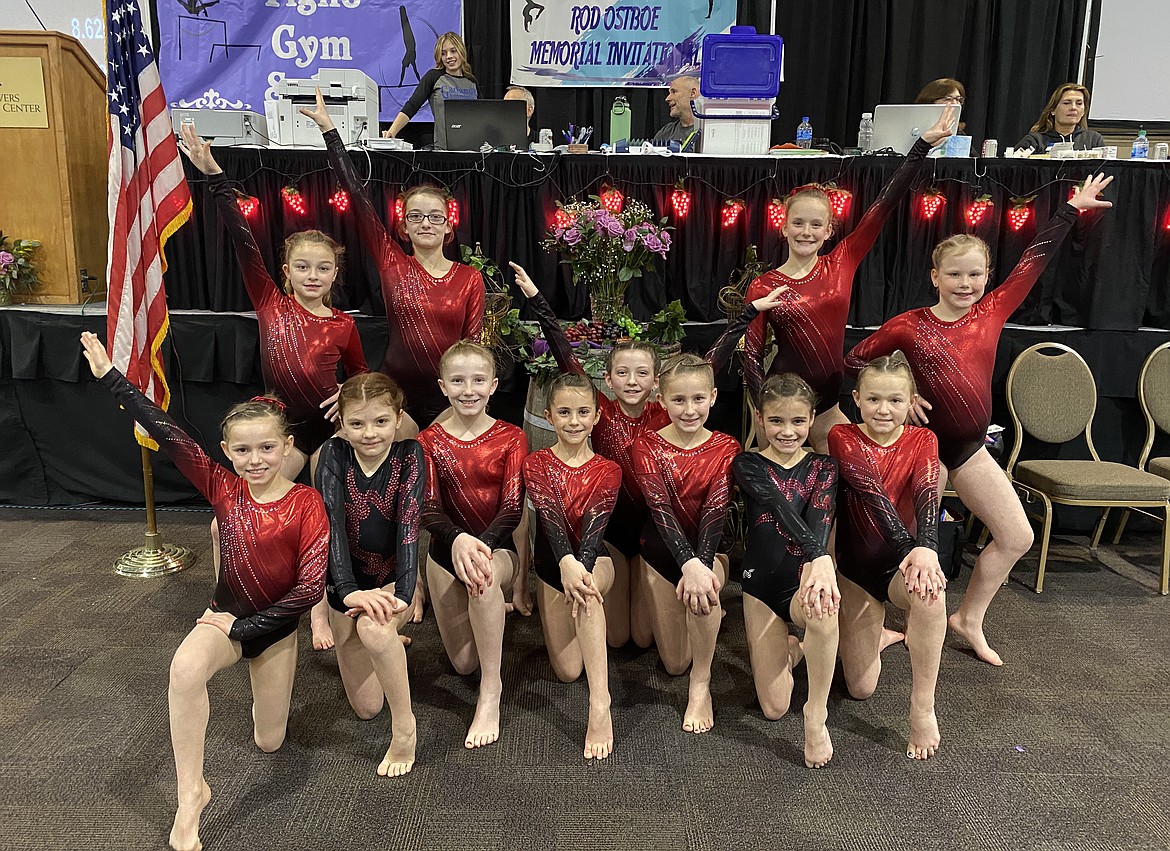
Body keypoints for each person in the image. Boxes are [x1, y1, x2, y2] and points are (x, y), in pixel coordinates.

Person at [844, 174, 1114, 666]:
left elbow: (1034, 262)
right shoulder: (909, 324)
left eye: (974, 276)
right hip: (919, 449)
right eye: (954, 275)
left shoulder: (991, 312)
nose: (965, 285)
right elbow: (857, 360)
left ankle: (968, 619)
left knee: (1017, 535)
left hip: (968, 449)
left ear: (987, 277)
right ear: (934, 277)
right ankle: (882, 624)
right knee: (890, 543)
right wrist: (908, 392)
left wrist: (1071, 210)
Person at [80, 332, 328, 851]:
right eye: (243, 450)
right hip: (226, 617)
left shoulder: (307, 502)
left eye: (266, 448)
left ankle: (260, 697)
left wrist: (246, 628)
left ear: (287, 448)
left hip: (275, 628)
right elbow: (168, 434)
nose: (255, 459)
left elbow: (307, 590)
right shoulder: (223, 486)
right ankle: (191, 792)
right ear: (226, 452)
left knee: (269, 740)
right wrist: (111, 379)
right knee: (185, 668)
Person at [510, 263, 786, 650]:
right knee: (622, 638)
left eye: (641, 374)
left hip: (655, 528)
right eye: (622, 373)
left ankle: (714, 565)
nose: (632, 382)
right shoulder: (601, 413)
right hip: (612, 532)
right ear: (607, 380)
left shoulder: (665, 414)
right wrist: (538, 299)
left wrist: (749, 313)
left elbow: (710, 366)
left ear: (656, 382)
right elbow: (564, 354)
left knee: (643, 638)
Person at [179, 123, 367, 652]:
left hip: (326, 429)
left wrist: (350, 400)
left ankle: (320, 613)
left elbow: (364, 380)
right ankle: (225, 598)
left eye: (323, 269)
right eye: (303, 267)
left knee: (326, 518)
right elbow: (242, 239)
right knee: (226, 526)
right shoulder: (271, 303)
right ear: (286, 272)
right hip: (282, 429)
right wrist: (214, 174)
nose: (313, 276)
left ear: (335, 274)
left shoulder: (342, 324)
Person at [742, 105, 957, 453]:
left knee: (850, 480)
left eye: (815, 225)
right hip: (783, 405)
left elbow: (883, 206)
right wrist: (761, 408)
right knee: (783, 494)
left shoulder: (840, 262)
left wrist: (921, 146)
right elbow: (751, 353)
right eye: (798, 223)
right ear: (783, 227)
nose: (806, 232)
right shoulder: (765, 285)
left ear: (829, 231)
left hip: (827, 405)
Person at [304, 89, 484, 428]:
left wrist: (465, 399)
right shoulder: (392, 263)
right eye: (416, 216)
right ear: (403, 226)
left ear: (449, 225)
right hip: (394, 392)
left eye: (435, 216)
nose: (425, 223)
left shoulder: (469, 278)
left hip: (452, 397)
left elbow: (471, 349)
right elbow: (357, 197)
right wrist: (331, 132)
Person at [828, 353, 947, 761]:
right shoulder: (842, 437)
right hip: (858, 569)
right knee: (860, 690)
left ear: (911, 401)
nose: (884, 410)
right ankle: (875, 633)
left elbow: (928, 494)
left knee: (931, 591)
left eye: (895, 401)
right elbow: (873, 497)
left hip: (902, 565)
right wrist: (911, 548)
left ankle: (923, 706)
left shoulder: (922, 440)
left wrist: (926, 549)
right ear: (857, 399)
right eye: (874, 399)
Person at [416, 341, 528, 748]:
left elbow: (512, 508)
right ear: (442, 386)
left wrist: (480, 546)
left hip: (496, 548)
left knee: (482, 579)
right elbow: (427, 508)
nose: (469, 390)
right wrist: (458, 539)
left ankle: (491, 692)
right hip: (445, 552)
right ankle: (486, 620)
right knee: (463, 664)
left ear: (494, 385)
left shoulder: (511, 436)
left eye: (478, 380)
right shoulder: (429, 441)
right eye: (458, 381)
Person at [316, 372, 423, 777]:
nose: (369, 433)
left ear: (397, 418)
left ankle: (404, 729)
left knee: (376, 631)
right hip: (346, 582)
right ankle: (384, 641)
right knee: (365, 709)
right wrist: (346, 593)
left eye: (380, 421)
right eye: (357, 423)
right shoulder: (333, 455)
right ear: (342, 422)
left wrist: (404, 595)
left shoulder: (410, 455)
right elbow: (333, 531)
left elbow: (410, 526)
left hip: (393, 577)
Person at [732, 374, 839, 768]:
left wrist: (817, 559)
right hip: (760, 584)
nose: (787, 431)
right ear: (759, 418)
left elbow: (820, 517)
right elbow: (776, 504)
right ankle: (794, 649)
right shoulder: (747, 464)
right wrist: (820, 554)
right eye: (776, 421)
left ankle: (816, 714)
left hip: (802, 583)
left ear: (811, 419)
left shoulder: (825, 467)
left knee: (824, 607)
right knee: (774, 708)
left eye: (797, 421)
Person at [631, 354, 740, 734]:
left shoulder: (727, 446)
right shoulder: (646, 446)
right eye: (678, 400)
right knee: (674, 662)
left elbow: (715, 509)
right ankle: (704, 626)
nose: (689, 410)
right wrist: (685, 563)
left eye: (697, 399)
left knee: (704, 592)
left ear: (712, 396)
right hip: (661, 553)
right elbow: (659, 507)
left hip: (709, 552)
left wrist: (700, 564)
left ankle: (701, 685)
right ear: (661, 399)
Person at [522, 372, 623, 759]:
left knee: (588, 592)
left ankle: (600, 704)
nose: (574, 421)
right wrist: (564, 563)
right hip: (551, 565)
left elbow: (595, 529)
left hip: (595, 558)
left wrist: (577, 568)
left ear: (597, 416)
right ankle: (587, 621)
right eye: (564, 412)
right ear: (549, 416)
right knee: (566, 671)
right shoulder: (536, 463)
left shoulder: (608, 469)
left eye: (583, 412)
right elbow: (548, 517)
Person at [382, 32, 477, 149]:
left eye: (453, 51)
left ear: (462, 51)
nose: (449, 56)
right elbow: (412, 106)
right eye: (443, 53)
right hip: (444, 152)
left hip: (473, 152)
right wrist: (391, 132)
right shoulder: (433, 77)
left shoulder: (472, 82)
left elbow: (482, 116)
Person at [1016, 83, 1106, 152]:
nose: (1073, 108)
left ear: (1083, 111)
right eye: (1066, 103)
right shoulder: (1035, 140)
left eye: (1079, 103)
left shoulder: (1093, 139)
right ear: (1053, 110)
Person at [653, 75, 700, 150]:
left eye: (674, 92)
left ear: (692, 93)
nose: (667, 98)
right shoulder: (665, 132)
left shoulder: (710, 132)